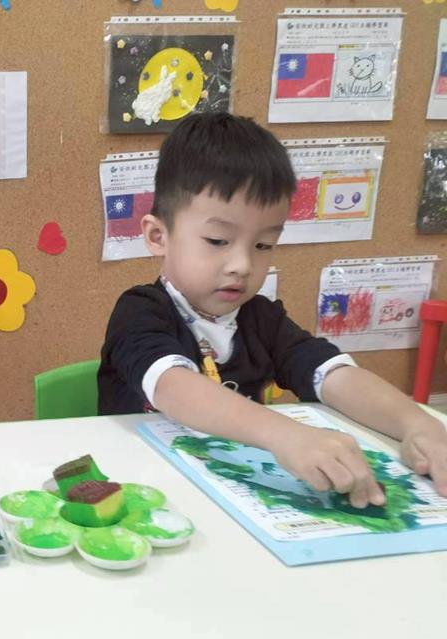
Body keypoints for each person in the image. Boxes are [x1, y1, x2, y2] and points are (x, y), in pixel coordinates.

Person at [98, 113, 447, 507]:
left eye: (263, 245)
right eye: (218, 240)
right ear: (158, 236)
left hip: (232, 496)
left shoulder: (262, 318)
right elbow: (174, 388)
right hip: (145, 490)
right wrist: (284, 435)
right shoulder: (140, 311)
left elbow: (334, 375)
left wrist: (417, 423)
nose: (243, 265)